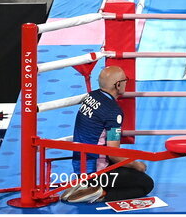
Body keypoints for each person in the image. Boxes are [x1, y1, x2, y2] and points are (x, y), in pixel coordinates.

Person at [59, 67, 154, 203]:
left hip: (80, 165)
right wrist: (136, 165)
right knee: (146, 184)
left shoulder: (91, 96)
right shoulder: (113, 112)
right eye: (125, 80)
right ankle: (98, 192)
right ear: (118, 84)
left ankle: (85, 185)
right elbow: (113, 154)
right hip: (96, 172)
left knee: (128, 168)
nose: (127, 83)